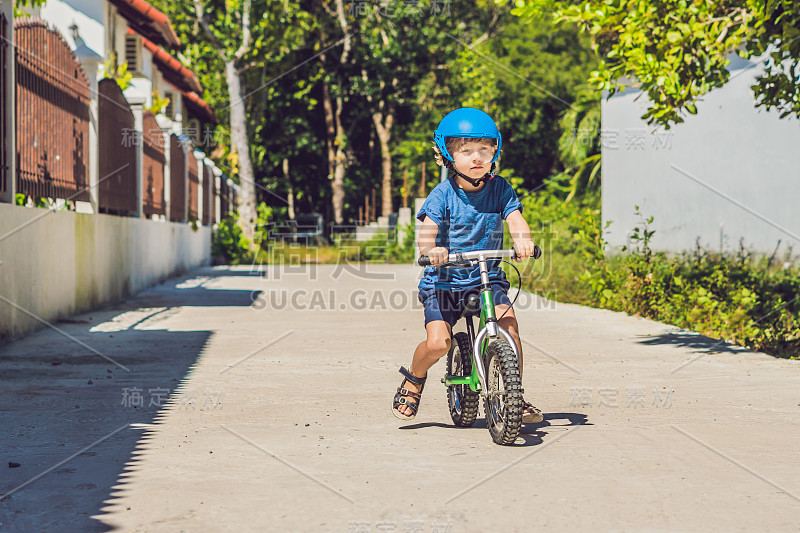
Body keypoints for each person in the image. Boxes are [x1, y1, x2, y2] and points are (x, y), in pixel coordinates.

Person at [392, 107, 543, 423]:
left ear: (495, 151)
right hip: (443, 283)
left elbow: (516, 220)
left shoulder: (501, 189)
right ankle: (415, 379)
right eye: (466, 150)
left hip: (487, 278)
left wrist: (523, 242)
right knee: (439, 344)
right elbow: (427, 234)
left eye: (484, 149)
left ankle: (515, 395)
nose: (476, 157)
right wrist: (431, 250)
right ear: (447, 154)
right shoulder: (442, 194)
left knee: (509, 327)